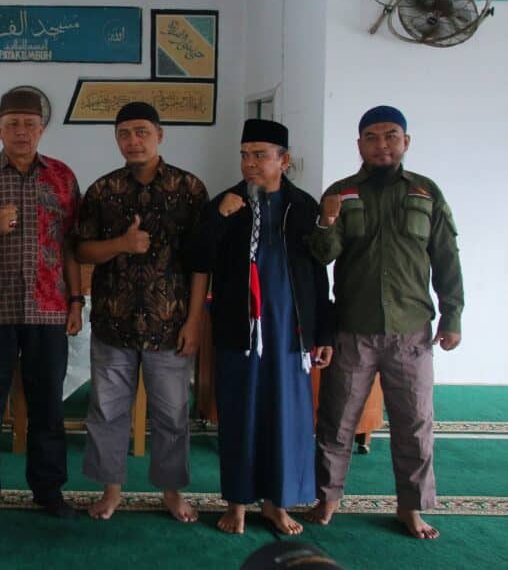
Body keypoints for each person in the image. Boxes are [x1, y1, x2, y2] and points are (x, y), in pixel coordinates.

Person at [306, 106, 463, 540]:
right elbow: (321, 256)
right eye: (371, 137)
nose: (381, 145)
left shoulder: (425, 193)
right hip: (353, 328)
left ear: (405, 142)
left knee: (415, 423)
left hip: (411, 330)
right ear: (359, 144)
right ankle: (327, 498)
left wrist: (452, 315)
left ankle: (411, 508)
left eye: (391, 136)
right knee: (336, 420)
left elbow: (446, 257)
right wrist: (328, 220)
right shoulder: (341, 193)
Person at [190, 119, 333, 535]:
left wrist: (323, 334)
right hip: (241, 332)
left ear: (283, 161)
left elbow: (318, 275)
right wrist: (219, 219)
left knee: (285, 419)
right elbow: (196, 256)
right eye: (244, 155)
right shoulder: (225, 202)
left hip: (289, 333)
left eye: (259, 155)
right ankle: (237, 503)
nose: (249, 163)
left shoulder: (302, 207)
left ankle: (276, 504)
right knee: (240, 415)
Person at [75, 101, 208, 522]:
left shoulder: (190, 189)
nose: (133, 141)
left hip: (171, 325)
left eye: (141, 132)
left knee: (172, 415)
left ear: (159, 136)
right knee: (107, 412)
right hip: (113, 323)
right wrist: (121, 244)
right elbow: (82, 250)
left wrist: (194, 321)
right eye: (124, 134)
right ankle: (110, 490)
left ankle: (171, 492)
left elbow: (201, 263)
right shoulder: (102, 190)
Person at [0, 86, 83, 519]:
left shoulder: (63, 177)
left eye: (29, 124)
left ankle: (49, 491)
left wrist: (76, 300)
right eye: (13, 125)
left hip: (49, 310)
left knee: (48, 409)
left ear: (41, 129)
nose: (21, 132)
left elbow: (71, 245)